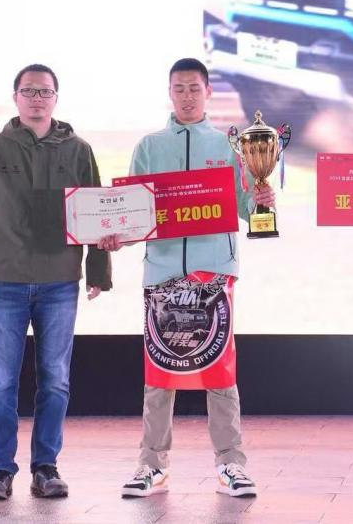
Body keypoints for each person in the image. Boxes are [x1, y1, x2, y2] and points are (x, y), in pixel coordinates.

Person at [99, 58, 271, 500]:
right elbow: (133, 212)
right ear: (170, 93)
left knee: (220, 371)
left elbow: (248, 209)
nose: (187, 96)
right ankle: (152, 466)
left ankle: (231, 464)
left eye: (195, 88)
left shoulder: (231, 145)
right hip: (163, 273)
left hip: (214, 274)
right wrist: (116, 236)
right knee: (159, 373)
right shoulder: (150, 146)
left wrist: (262, 198)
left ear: (208, 92)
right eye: (179, 88)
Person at [0, 63, 111, 502]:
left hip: (60, 283)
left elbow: (97, 214)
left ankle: (46, 467)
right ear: (15, 97)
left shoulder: (78, 151)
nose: (37, 98)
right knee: (0, 385)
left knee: (55, 380)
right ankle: (0, 470)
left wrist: (99, 272)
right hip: (4, 283)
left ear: (56, 98)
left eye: (45, 91)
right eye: (29, 91)